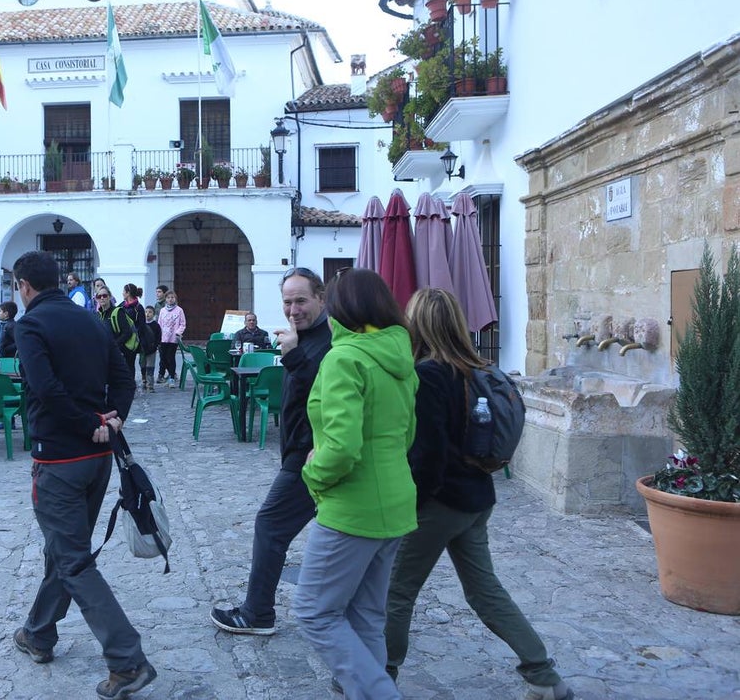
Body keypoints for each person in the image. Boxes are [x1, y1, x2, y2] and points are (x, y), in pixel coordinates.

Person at [386, 289, 573, 700]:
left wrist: (412, 507)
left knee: (395, 593)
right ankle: (544, 676)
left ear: (416, 324)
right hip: (476, 498)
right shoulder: (475, 368)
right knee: (484, 590)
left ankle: (379, 680)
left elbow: (428, 453)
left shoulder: (428, 376)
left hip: (439, 504)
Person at [10, 251, 156, 700]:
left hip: (59, 461)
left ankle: (127, 660)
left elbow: (45, 388)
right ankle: (38, 632)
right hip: (96, 462)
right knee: (66, 550)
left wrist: (89, 424)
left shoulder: (29, 325)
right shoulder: (93, 320)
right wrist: (112, 421)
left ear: (24, 285)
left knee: (72, 559)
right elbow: (124, 379)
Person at [293, 267, 418, 700]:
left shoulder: (344, 358)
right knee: (366, 614)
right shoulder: (399, 355)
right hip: (397, 502)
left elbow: (342, 447)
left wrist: (313, 472)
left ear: (341, 311)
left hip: (353, 507)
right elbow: (407, 435)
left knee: (313, 611)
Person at [211, 267, 329, 635]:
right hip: (304, 452)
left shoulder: (327, 342)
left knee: (270, 526)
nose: (293, 309)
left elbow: (329, 395)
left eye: (301, 300)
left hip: (311, 456)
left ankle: (257, 612)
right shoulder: (303, 336)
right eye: (287, 301)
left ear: (321, 298)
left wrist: (293, 357)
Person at [96, 286, 139, 375]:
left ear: (110, 297)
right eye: (99, 296)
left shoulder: (118, 312)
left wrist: (114, 345)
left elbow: (127, 332)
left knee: (126, 378)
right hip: (108, 353)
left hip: (123, 352)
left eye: (104, 295)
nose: (102, 298)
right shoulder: (98, 315)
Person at [155, 290, 186, 388]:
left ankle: (172, 377)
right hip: (163, 338)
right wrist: (158, 336)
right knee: (163, 358)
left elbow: (182, 324)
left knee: (170, 358)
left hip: (173, 338)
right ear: (165, 299)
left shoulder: (179, 310)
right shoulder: (163, 311)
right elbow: (159, 324)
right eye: (168, 297)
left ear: (175, 299)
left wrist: (178, 332)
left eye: (172, 297)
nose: (170, 299)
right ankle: (168, 376)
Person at [120, 283, 147, 378]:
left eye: (124, 291)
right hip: (123, 339)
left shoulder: (138, 307)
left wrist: (134, 336)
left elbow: (142, 325)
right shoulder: (122, 305)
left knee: (130, 363)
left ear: (128, 293)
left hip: (133, 340)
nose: (122, 293)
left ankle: (130, 382)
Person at [140, 306, 162, 393]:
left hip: (152, 350)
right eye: (146, 312)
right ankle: (144, 381)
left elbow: (158, 337)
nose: (147, 314)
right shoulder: (141, 324)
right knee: (143, 366)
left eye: (150, 312)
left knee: (150, 367)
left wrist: (155, 346)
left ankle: (150, 386)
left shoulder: (156, 325)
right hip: (142, 350)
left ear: (153, 314)